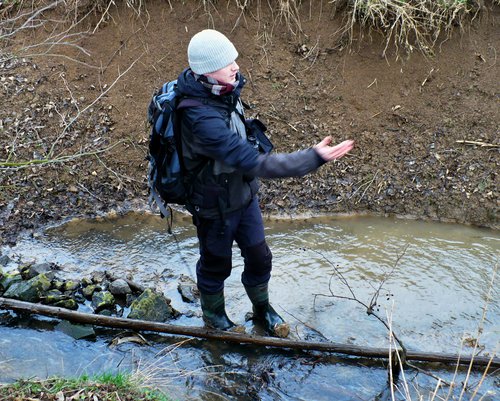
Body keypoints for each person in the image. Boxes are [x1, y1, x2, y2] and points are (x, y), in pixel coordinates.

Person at [176, 29, 354, 337]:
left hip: (243, 195)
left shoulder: (222, 90)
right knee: (216, 264)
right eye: (226, 62)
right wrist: (312, 157)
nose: (235, 66)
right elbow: (254, 162)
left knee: (260, 256)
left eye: (234, 59)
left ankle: (262, 310)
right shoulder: (199, 119)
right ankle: (215, 318)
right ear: (205, 70)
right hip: (214, 205)